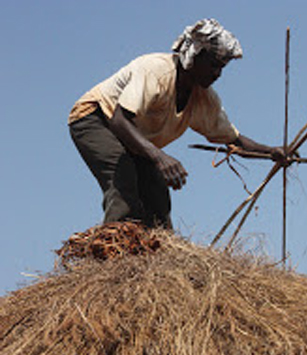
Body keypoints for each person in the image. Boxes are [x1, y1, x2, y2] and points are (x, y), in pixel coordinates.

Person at [69, 18, 287, 229]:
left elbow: (235, 140)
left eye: (222, 67)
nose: (217, 73)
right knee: (124, 181)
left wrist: (271, 152)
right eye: (213, 65)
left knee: (157, 197)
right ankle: (113, 251)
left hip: (132, 136)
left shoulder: (205, 99)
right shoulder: (155, 71)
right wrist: (159, 156)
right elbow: (119, 120)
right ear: (195, 55)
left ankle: (158, 255)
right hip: (97, 119)